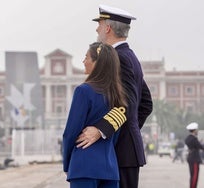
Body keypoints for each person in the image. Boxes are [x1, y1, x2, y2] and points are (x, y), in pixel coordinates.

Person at [76, 4, 153, 188]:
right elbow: (146, 104)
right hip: (126, 150)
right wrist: (130, 129)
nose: (97, 29)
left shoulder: (119, 58)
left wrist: (101, 130)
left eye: (100, 24)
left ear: (108, 28)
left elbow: (127, 102)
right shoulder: (130, 56)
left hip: (121, 152)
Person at [63, 42, 127, 188]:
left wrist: (68, 164)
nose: (84, 61)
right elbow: (115, 133)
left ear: (97, 63)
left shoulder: (83, 91)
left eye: (86, 57)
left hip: (83, 166)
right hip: (110, 168)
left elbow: (71, 132)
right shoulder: (117, 95)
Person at [185, 122, 204, 188]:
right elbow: (201, 146)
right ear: (194, 130)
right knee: (195, 176)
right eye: (196, 130)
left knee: (192, 175)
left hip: (190, 157)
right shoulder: (194, 139)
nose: (197, 131)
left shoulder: (188, 138)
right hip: (194, 158)